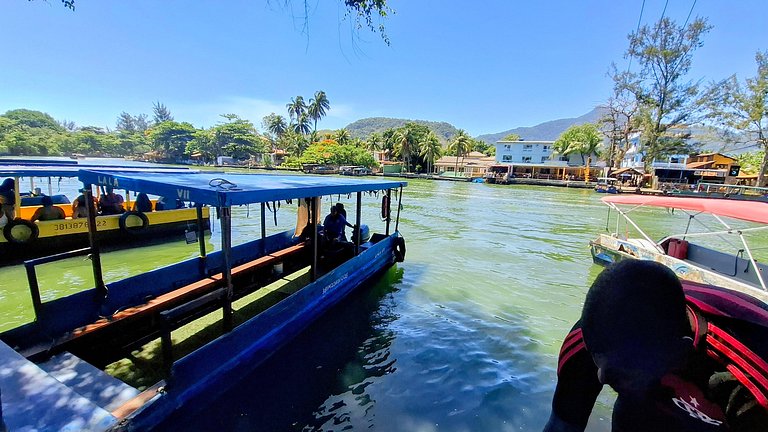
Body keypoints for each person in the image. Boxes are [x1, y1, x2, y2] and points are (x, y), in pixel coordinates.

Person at [545, 260, 768, 432]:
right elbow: (563, 425)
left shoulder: (751, 376)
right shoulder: (590, 341)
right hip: (648, 408)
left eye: (618, 373)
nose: (600, 377)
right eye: (598, 362)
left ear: (678, 355)